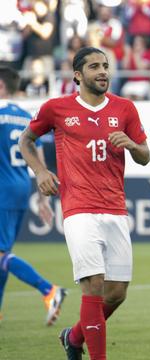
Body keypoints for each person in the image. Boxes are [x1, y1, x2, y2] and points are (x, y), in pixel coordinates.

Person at [19, 47, 150, 360]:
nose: (102, 71)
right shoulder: (56, 108)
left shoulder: (125, 108)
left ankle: (74, 336)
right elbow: (26, 140)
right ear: (77, 75)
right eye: (94, 66)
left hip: (116, 207)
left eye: (105, 65)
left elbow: (145, 156)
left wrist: (131, 145)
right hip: (78, 207)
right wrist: (40, 171)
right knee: (93, 284)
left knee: (116, 293)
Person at [0, 66, 65, 326]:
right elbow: (36, 156)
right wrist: (42, 197)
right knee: (3, 254)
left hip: (2, 188)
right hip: (20, 186)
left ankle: (49, 290)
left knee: (1, 254)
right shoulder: (25, 116)